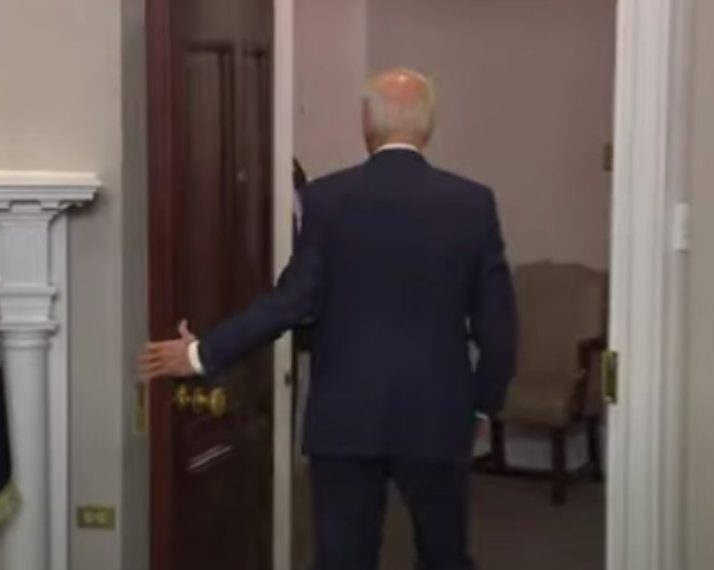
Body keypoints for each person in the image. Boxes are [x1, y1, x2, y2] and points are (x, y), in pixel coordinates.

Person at [139, 68, 516, 570]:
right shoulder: (472, 204)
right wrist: (480, 406)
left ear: (366, 123)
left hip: (345, 417)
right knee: (444, 555)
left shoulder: (328, 199)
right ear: (429, 128)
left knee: (343, 559)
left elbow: (290, 301)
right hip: (438, 415)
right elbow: (499, 330)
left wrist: (200, 353)